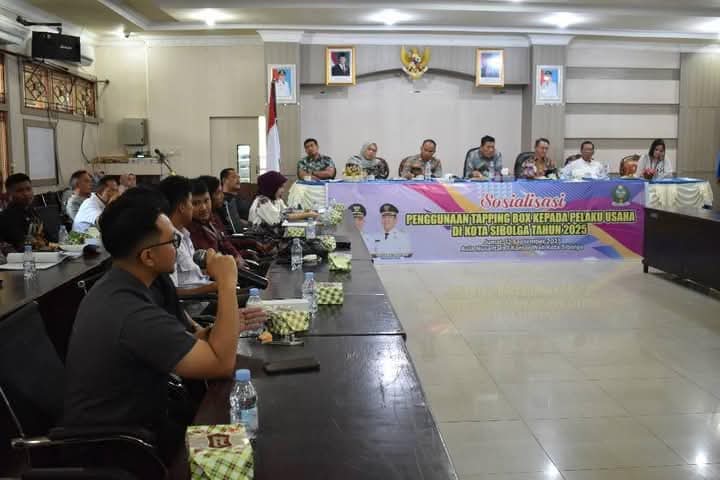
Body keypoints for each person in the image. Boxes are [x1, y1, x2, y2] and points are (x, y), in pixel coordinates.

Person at [62, 191, 266, 463]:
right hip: (118, 446)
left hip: (148, 419)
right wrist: (226, 282)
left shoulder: (135, 283)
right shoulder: (129, 310)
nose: (177, 246)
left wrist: (225, 328)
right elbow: (220, 364)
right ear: (148, 256)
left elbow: (192, 340)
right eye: (173, 241)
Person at [156, 176, 217, 297]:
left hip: (208, 293)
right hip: (199, 304)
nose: (193, 208)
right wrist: (214, 287)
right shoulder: (168, 242)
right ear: (182, 207)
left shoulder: (184, 235)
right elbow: (171, 292)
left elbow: (193, 278)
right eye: (191, 202)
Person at [187, 178, 245, 268]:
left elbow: (224, 241)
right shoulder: (189, 230)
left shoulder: (212, 218)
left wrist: (236, 255)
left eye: (206, 201)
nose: (203, 208)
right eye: (195, 203)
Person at [0, 173, 54, 251]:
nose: (26, 194)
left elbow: (49, 238)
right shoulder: (6, 217)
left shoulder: (32, 212)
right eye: (19, 191)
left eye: (28, 189)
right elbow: (22, 245)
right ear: (9, 194)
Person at [249, 171, 318, 227]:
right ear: (271, 187)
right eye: (281, 187)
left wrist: (305, 211)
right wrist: (307, 214)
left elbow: (287, 211)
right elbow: (279, 219)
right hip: (260, 237)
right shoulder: (262, 201)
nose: (283, 190)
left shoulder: (277, 200)